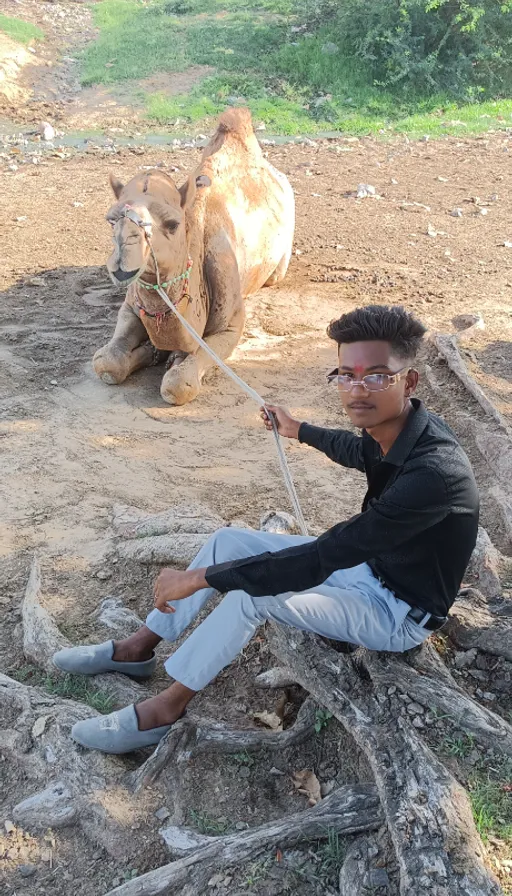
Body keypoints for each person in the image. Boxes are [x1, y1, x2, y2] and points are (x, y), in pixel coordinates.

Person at [54, 304, 479, 754]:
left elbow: (322, 557)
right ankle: (138, 647)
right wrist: (299, 430)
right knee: (227, 540)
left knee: (253, 594)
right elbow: (359, 452)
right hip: (368, 570)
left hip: (397, 612)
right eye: (346, 375)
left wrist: (198, 578)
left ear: (409, 381)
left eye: (376, 376)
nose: (357, 390)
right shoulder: (396, 429)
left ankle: (166, 708)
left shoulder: (435, 473)